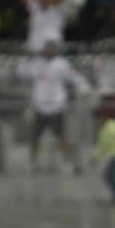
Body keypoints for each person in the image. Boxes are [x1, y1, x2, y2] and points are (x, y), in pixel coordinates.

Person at [20, 41, 91, 170]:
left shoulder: (62, 64)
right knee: (35, 137)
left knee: (62, 137)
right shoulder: (36, 63)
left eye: (52, 48)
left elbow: (74, 77)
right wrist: (28, 58)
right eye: (47, 48)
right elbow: (22, 72)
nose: (49, 50)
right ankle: (33, 162)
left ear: (56, 50)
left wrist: (84, 87)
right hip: (39, 106)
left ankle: (66, 162)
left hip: (56, 106)